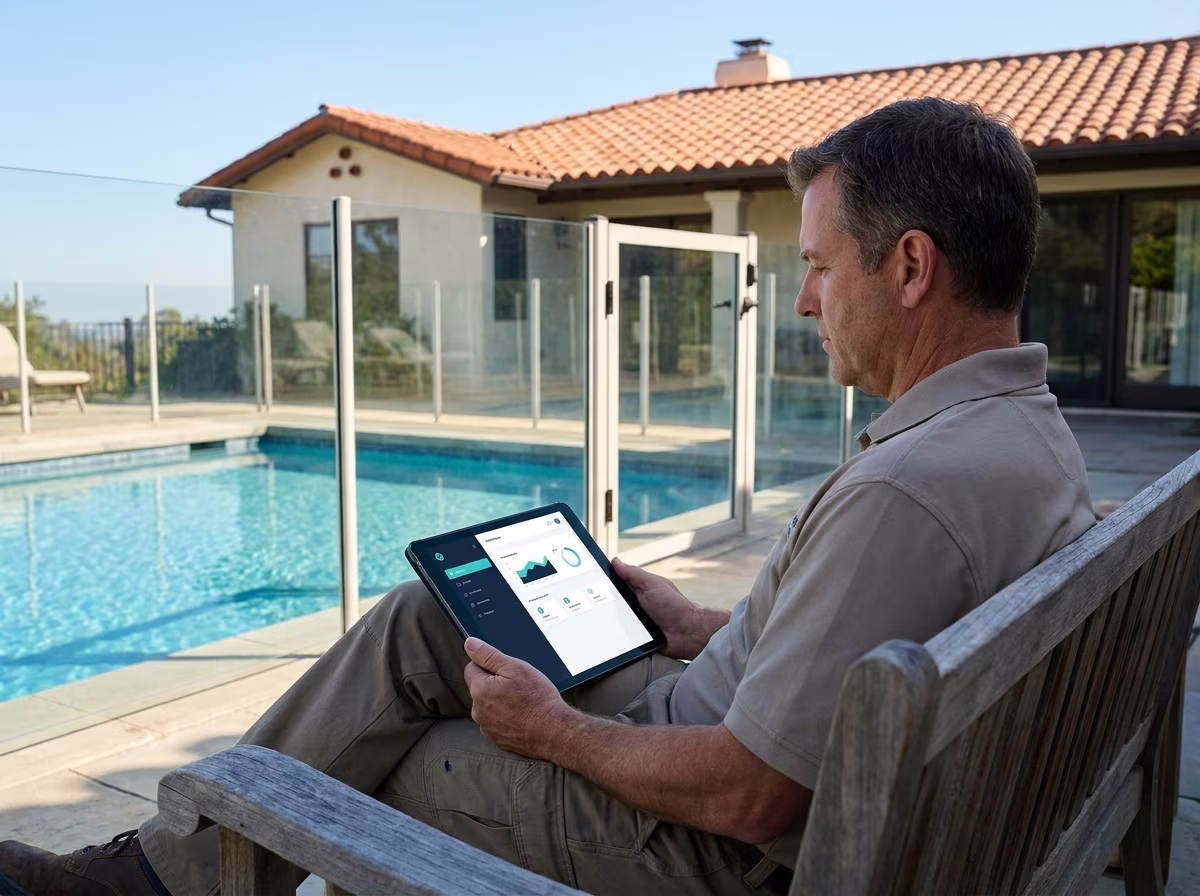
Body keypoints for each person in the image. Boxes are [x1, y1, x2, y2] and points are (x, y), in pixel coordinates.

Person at [0, 98, 1098, 896]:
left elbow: (753, 797)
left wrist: (557, 730)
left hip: (712, 840)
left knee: (374, 759)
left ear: (909, 268)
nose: (804, 298)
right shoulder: (1022, 435)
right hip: (744, 734)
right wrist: (707, 625)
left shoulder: (907, 488)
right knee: (432, 616)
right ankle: (161, 867)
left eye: (819, 264)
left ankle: (159, 880)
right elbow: (855, 660)